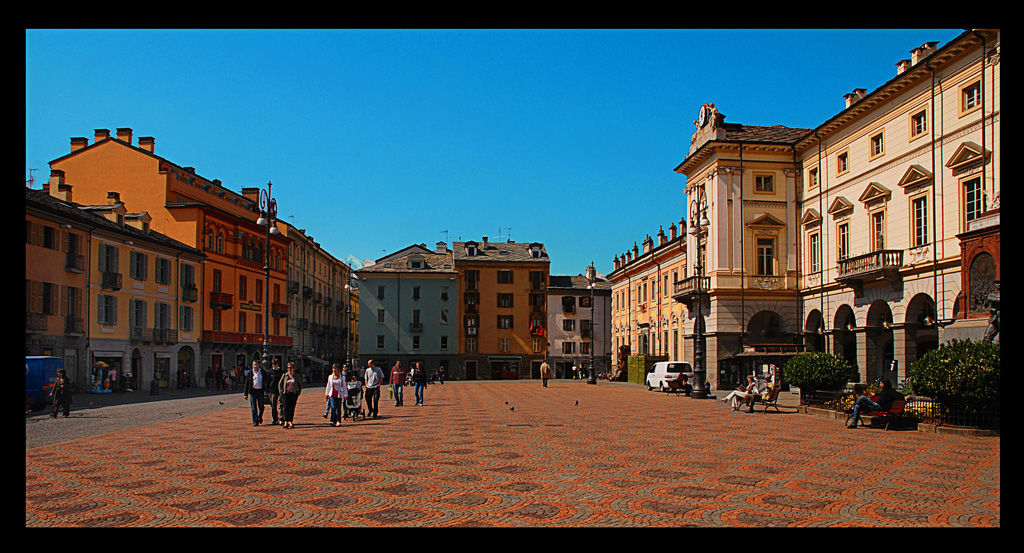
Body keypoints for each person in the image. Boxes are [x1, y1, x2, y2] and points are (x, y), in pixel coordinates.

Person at [243, 360, 267, 427]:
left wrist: (266, 389)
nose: (255, 366)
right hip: (253, 391)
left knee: (261, 406)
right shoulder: (250, 373)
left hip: (260, 391)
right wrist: (245, 394)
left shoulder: (262, 372)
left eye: (256, 365)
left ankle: (259, 417)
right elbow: (247, 383)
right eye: (254, 365)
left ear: (259, 365)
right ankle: (255, 421)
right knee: (253, 407)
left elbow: (266, 380)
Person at [279, 361, 302, 429]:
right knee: (286, 407)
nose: (289, 369)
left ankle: (290, 421)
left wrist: (298, 392)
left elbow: (300, 385)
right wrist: (281, 391)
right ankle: (286, 421)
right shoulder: (285, 375)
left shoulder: (296, 376)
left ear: (294, 368)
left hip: (293, 394)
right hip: (285, 394)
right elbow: (280, 384)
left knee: (291, 408)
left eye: (290, 368)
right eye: (288, 368)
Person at [266, 360, 283, 425]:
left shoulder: (281, 372)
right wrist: (268, 391)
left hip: (280, 391)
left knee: (280, 405)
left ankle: (281, 418)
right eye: (273, 364)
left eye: (275, 364)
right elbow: (267, 382)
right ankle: (275, 419)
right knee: (273, 406)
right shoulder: (269, 372)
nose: (274, 366)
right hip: (272, 391)